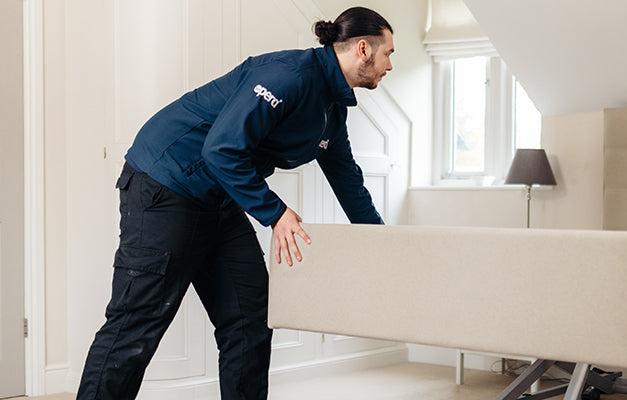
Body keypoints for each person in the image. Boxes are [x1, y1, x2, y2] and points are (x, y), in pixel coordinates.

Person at [76, 6, 393, 400]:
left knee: (249, 320)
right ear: (363, 48)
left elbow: (348, 181)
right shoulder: (288, 76)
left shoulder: (331, 110)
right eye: (388, 54)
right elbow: (222, 149)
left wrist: (383, 244)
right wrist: (276, 213)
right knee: (135, 327)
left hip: (219, 199)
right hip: (166, 185)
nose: (389, 65)